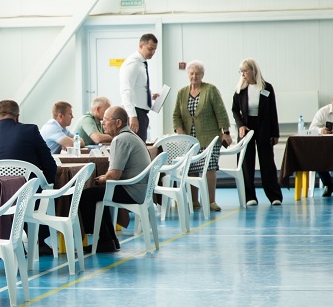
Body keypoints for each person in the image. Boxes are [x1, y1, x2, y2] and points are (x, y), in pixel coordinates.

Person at [77, 107, 154, 253]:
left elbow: (114, 175)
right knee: (99, 194)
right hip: (141, 189)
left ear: (118, 122)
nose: (102, 123)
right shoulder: (129, 136)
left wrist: (102, 179)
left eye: (106, 120)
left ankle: (104, 240)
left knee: (86, 196)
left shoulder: (121, 139)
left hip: (133, 191)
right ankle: (109, 240)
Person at [171, 61, 232, 212]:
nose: (194, 76)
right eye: (191, 73)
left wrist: (226, 132)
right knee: (191, 169)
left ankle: (211, 201)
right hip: (190, 139)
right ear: (188, 75)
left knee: (210, 168)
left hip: (210, 137)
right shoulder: (181, 93)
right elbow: (176, 115)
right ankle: (194, 201)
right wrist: (180, 133)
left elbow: (221, 112)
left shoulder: (210, 90)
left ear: (202, 75)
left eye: (197, 73)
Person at [231, 58, 283, 206]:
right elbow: (235, 110)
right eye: (241, 72)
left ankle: (274, 196)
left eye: (245, 71)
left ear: (253, 71)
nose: (243, 74)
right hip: (246, 128)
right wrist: (240, 125)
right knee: (246, 163)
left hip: (264, 127)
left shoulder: (267, 87)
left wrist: (275, 133)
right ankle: (249, 197)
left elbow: (273, 111)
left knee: (267, 162)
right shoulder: (240, 89)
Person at [0, 99, 57, 186]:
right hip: (30, 192)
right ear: (17, 117)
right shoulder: (31, 131)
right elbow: (49, 164)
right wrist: (47, 185)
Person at [120, 33, 160, 142]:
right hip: (135, 112)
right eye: (150, 49)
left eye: (155, 49)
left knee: (141, 144)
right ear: (141, 46)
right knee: (137, 146)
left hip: (141, 113)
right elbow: (126, 90)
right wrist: (132, 116)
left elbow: (137, 88)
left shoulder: (141, 63)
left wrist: (150, 96)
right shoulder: (133, 63)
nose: (153, 52)